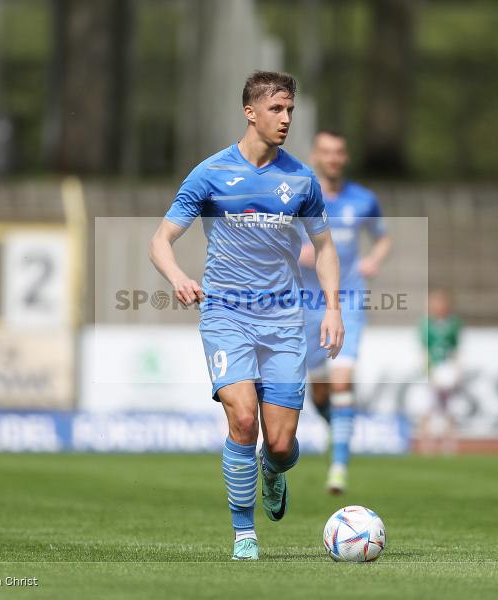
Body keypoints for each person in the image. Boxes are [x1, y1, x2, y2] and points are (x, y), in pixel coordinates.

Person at [149, 71, 343, 561]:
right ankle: (243, 534)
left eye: (290, 110)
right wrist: (177, 276)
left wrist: (333, 307)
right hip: (225, 314)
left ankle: (274, 472)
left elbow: (324, 247)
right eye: (277, 109)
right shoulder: (211, 173)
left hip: (283, 323)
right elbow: (160, 241)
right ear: (250, 112)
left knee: (279, 444)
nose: (286, 119)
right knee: (242, 418)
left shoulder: (300, 178)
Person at [298, 130, 391, 494]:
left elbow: (382, 236)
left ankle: (339, 466)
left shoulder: (363, 200)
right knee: (320, 392)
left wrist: (373, 259)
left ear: (345, 157)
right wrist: (296, 253)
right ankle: (334, 428)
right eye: (326, 152)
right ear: (315, 156)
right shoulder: (299, 197)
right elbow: (275, 239)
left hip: (348, 299)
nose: (333, 158)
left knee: (341, 381)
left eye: (339, 152)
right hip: (306, 303)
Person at [418, 289, 463, 455]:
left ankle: (449, 442)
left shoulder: (454, 324)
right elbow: (424, 350)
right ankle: (426, 442)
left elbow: (456, 349)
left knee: (450, 408)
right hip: (434, 368)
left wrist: (457, 368)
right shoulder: (426, 324)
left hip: (448, 368)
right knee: (428, 406)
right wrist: (428, 370)